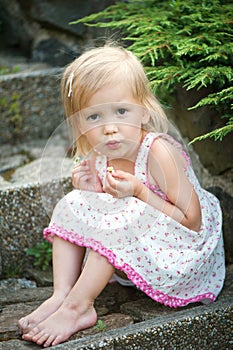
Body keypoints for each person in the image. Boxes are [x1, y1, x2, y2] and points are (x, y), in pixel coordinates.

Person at [18, 44, 225, 347]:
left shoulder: (157, 152)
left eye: (121, 111)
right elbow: (101, 209)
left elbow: (191, 221)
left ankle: (79, 307)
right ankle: (62, 295)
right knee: (71, 203)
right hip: (142, 240)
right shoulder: (99, 155)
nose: (110, 129)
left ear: (143, 111)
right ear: (77, 124)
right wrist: (90, 191)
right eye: (94, 118)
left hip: (185, 249)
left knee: (119, 213)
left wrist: (140, 191)